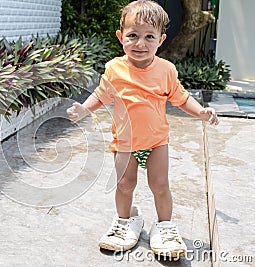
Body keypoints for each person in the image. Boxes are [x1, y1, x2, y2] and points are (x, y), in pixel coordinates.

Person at [66, 0, 219, 257]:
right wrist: (84, 109)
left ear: (161, 39)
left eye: (149, 36)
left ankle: (165, 227)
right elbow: (101, 94)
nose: (140, 43)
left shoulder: (166, 70)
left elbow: (181, 98)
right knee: (125, 185)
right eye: (133, 35)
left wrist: (200, 111)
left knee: (160, 185)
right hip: (125, 143)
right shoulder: (114, 69)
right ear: (121, 36)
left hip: (156, 141)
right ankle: (125, 222)